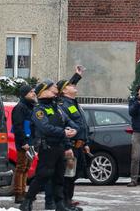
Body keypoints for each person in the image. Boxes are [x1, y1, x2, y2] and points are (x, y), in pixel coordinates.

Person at [20, 80, 79, 211]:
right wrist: (63, 132)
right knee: (43, 175)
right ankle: (27, 201)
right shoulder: (39, 110)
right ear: (43, 91)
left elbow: (69, 121)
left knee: (59, 176)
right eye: (52, 87)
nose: (55, 89)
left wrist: (74, 129)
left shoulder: (56, 107)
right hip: (47, 147)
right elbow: (45, 128)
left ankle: (59, 205)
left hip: (59, 146)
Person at [57, 65, 90, 211]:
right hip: (71, 145)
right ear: (64, 91)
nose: (74, 86)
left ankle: (67, 199)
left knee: (76, 172)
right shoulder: (63, 104)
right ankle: (65, 201)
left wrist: (85, 142)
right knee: (68, 175)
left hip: (80, 144)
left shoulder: (72, 102)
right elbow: (67, 125)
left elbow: (81, 124)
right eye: (70, 85)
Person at [11, 84, 37, 204]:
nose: (33, 93)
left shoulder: (30, 106)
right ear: (25, 94)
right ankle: (18, 193)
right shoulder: (20, 107)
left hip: (30, 142)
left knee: (26, 167)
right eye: (31, 92)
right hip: (24, 143)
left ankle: (23, 190)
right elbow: (18, 126)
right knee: (21, 167)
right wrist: (23, 142)